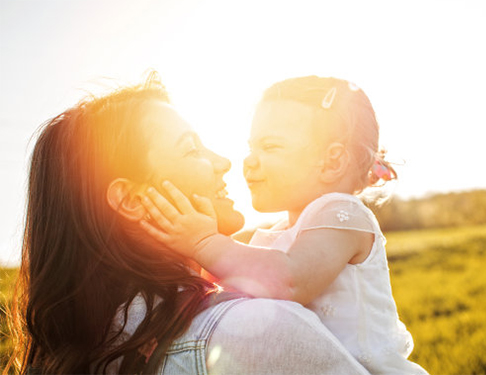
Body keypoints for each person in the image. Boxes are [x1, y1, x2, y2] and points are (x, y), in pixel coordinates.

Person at [4, 72, 372, 375]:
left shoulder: (77, 349)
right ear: (132, 201)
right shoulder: (257, 332)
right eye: (191, 149)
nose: (226, 162)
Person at [139, 76, 428, 375]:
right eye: (251, 147)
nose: (249, 161)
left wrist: (202, 242)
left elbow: (291, 280)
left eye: (270, 146)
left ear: (332, 162)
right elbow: (222, 282)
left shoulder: (344, 215)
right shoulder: (271, 235)